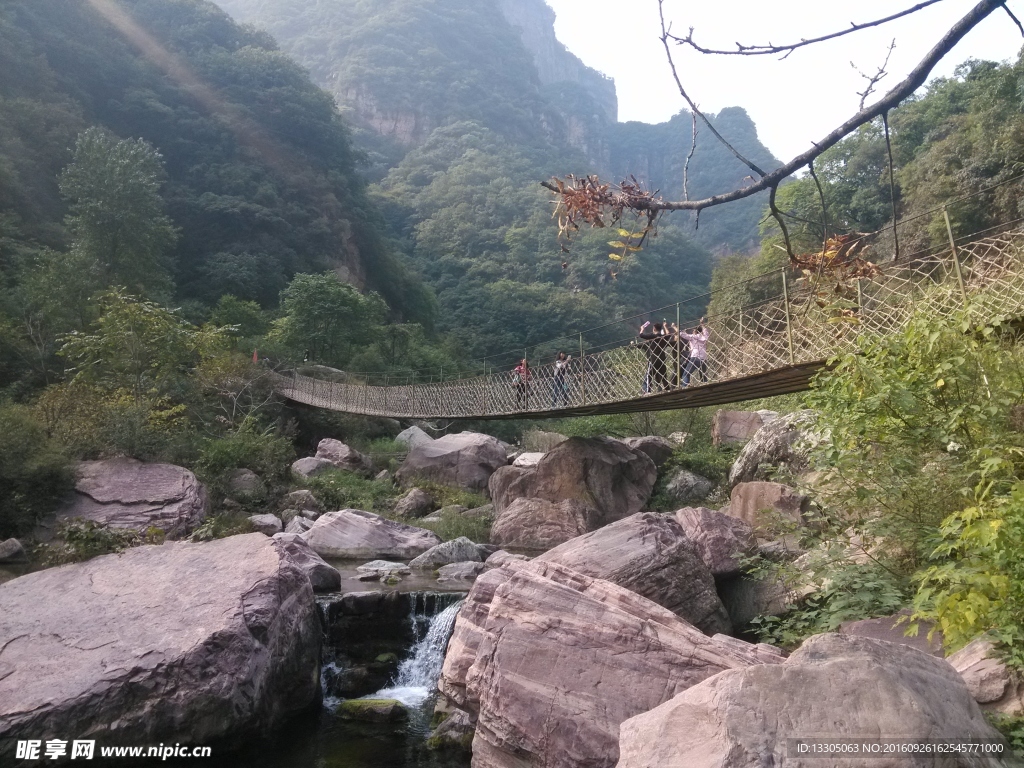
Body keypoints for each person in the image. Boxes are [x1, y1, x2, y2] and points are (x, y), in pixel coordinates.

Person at [638, 321, 671, 392]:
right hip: (662, 359)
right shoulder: (663, 336)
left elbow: (641, 335)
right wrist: (665, 326)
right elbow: (668, 334)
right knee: (663, 376)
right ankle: (668, 390)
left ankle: (647, 391)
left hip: (654, 359)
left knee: (648, 376)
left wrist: (642, 329)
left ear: (654, 329)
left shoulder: (653, 336)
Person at [680, 318, 710, 386]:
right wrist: (702, 324)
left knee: (686, 374)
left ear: (695, 331)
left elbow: (683, 335)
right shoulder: (704, 337)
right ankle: (705, 386)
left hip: (695, 357)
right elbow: (705, 331)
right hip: (704, 358)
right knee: (703, 375)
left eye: (693, 331)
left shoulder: (693, 337)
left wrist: (678, 330)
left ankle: (685, 387)